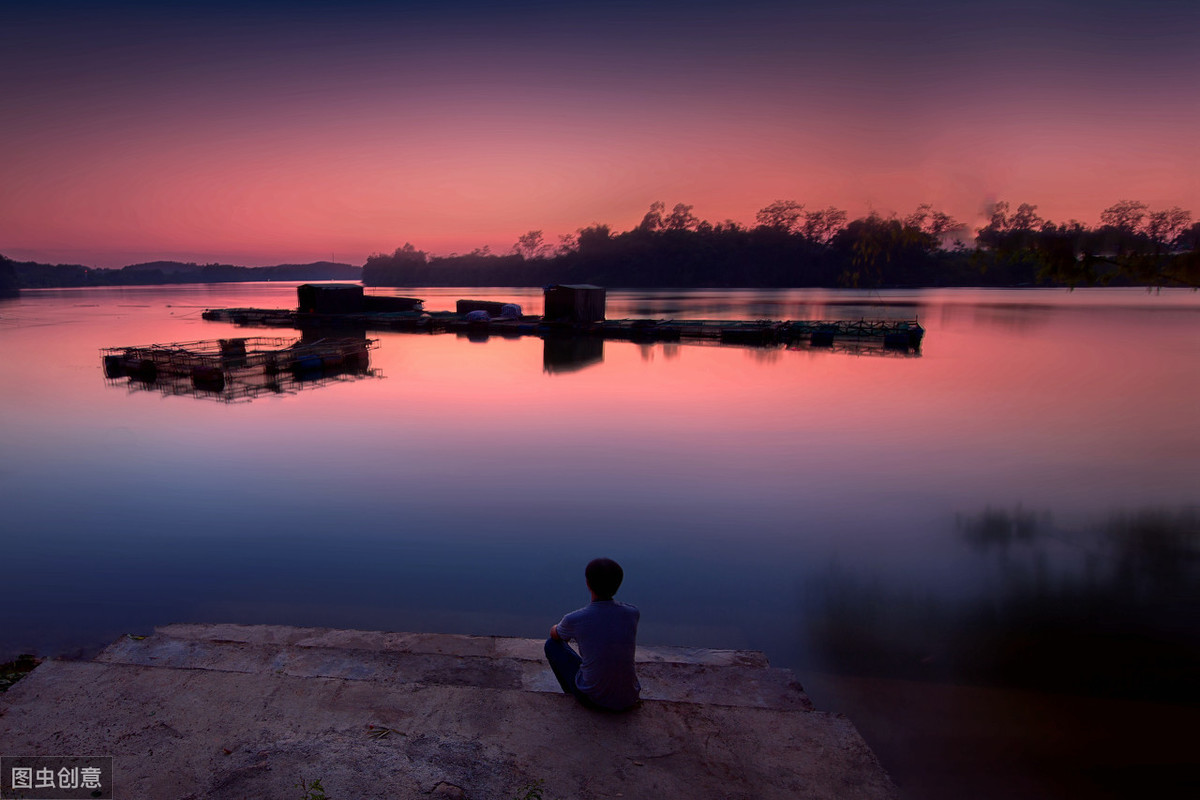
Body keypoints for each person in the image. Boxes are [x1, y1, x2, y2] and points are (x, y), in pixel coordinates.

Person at [545, 557, 641, 712]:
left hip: (594, 700)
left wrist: (560, 626)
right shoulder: (632, 613)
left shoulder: (576, 619)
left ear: (588, 584)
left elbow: (555, 635)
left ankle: (574, 694)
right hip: (630, 697)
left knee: (551, 645)